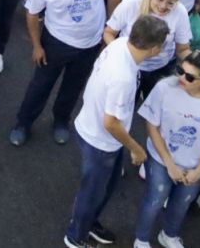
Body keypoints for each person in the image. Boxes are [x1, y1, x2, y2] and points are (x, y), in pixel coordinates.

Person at [62, 15, 170, 248]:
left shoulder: (121, 43)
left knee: (105, 188)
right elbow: (110, 123)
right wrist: (136, 148)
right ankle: (76, 237)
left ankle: (88, 223)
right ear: (153, 49)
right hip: (101, 142)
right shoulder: (124, 78)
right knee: (92, 193)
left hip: (92, 129)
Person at [9, 0, 121, 148]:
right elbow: (32, 13)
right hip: (56, 43)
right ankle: (23, 123)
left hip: (91, 43)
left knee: (73, 86)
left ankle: (61, 121)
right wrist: (37, 46)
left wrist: (110, 28)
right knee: (41, 85)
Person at [135, 52, 200, 248]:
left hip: (193, 165)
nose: (182, 78)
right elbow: (152, 126)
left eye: (190, 77)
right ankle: (141, 239)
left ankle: (169, 235)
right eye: (180, 71)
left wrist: (199, 171)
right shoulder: (164, 87)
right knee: (154, 200)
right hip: (161, 160)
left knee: (182, 203)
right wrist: (169, 164)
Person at [103, 0, 191, 100]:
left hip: (160, 68)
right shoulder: (130, 4)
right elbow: (109, 32)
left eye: (170, 3)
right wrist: (120, 55)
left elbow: (182, 49)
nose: (163, 6)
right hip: (130, 66)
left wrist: (196, 62)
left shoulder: (180, 12)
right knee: (124, 105)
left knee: (156, 108)